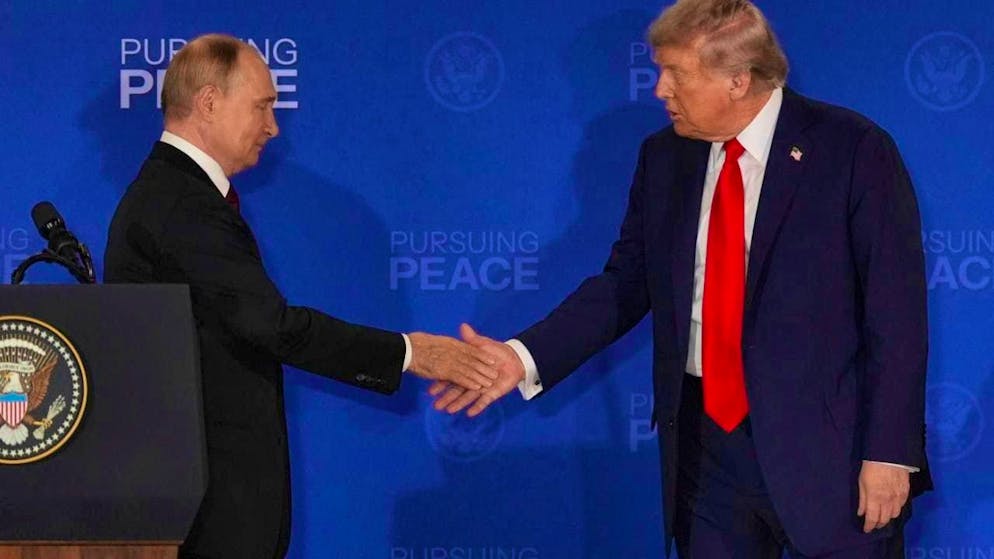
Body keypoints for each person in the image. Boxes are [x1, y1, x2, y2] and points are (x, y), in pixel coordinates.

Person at [430, 1, 932, 557]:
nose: (659, 90)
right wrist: (520, 358)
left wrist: (888, 452)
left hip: (830, 453)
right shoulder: (664, 157)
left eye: (676, 73)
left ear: (738, 79)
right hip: (705, 451)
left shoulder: (852, 149)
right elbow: (624, 285)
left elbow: (896, 314)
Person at [104, 34, 498, 559]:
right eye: (263, 106)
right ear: (208, 102)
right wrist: (412, 352)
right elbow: (270, 325)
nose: (273, 127)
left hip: (209, 495)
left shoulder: (179, 194)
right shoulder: (184, 204)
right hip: (204, 503)